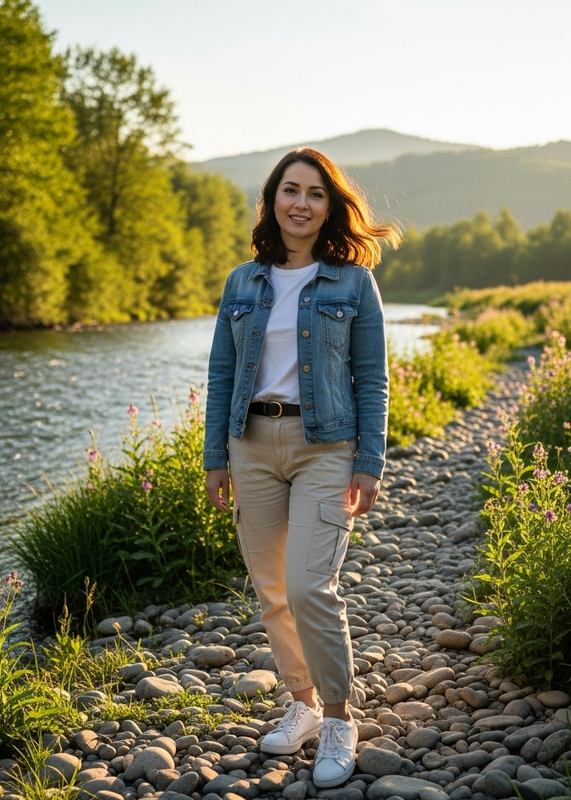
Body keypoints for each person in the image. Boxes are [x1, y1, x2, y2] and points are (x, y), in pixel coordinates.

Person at [203, 147, 400, 788]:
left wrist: (369, 461)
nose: (301, 203)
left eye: (315, 194)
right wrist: (215, 459)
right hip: (252, 445)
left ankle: (340, 719)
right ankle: (304, 705)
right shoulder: (242, 282)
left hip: (327, 447)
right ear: (273, 200)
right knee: (272, 591)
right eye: (291, 190)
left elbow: (372, 377)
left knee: (312, 586)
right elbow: (221, 375)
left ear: (329, 206)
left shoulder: (352, 283)